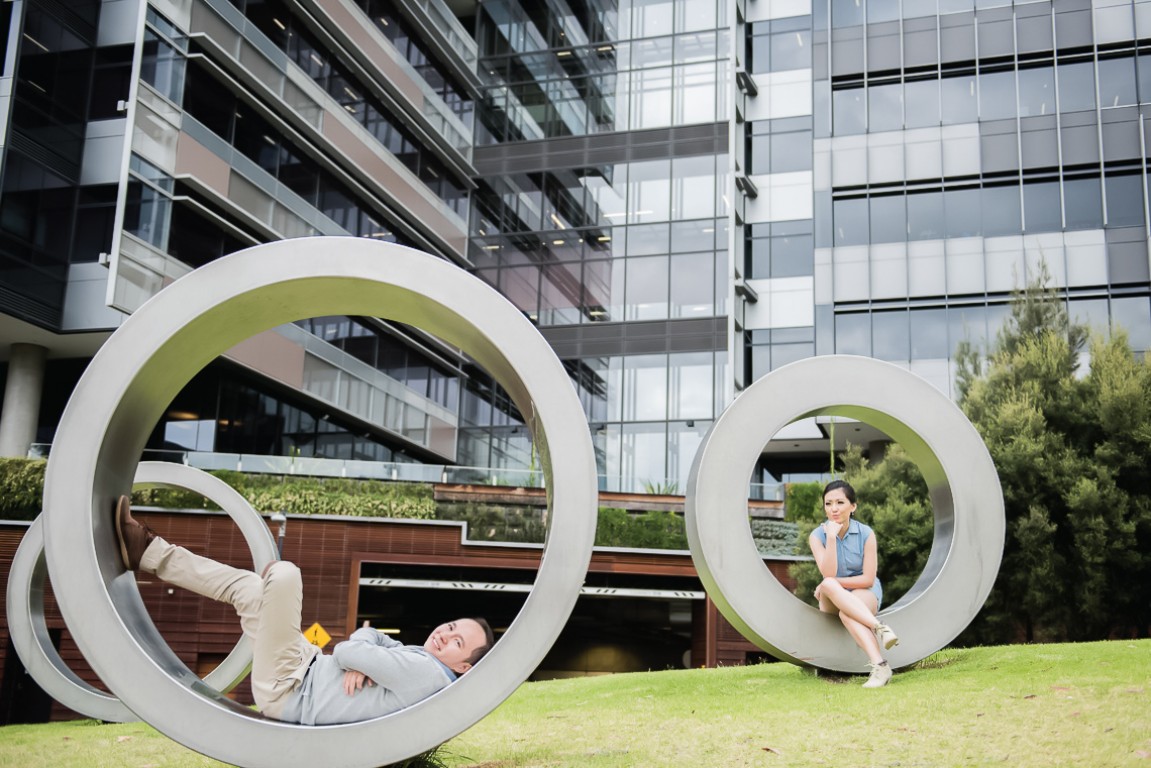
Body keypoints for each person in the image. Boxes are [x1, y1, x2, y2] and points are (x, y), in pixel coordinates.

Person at [114, 496, 494, 724]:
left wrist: (361, 657)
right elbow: (367, 639)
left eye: (457, 642)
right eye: (450, 626)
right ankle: (145, 551)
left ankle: (265, 576)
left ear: (464, 667)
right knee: (248, 589)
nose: (445, 634)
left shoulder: (427, 675)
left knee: (285, 575)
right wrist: (364, 658)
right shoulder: (420, 662)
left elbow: (347, 649)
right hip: (301, 665)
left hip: (291, 686)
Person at [808, 479, 900, 688]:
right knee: (829, 584)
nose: (834, 509)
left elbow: (867, 578)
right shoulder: (817, 536)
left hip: (863, 590)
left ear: (853, 506)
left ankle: (880, 667)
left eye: (840, 502)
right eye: (828, 503)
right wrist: (831, 538)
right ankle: (878, 627)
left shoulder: (866, 534)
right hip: (832, 597)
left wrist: (830, 583)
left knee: (845, 609)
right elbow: (828, 573)